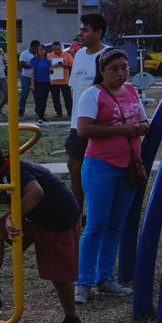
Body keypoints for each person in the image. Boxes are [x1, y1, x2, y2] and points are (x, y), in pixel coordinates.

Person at [0, 138, 85, 323]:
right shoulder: (1, 173)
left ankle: (71, 319)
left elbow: (36, 192)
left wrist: (12, 217)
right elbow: (6, 197)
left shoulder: (15, 170)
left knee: (60, 279)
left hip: (59, 221)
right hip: (33, 217)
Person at [72, 48, 148, 304]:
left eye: (124, 67)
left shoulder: (132, 92)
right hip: (101, 166)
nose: (120, 73)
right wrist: (126, 129)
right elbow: (84, 129)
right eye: (114, 68)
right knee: (96, 224)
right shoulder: (92, 94)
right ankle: (83, 282)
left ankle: (105, 278)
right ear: (102, 71)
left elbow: (144, 120)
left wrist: (143, 126)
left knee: (116, 223)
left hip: (129, 167)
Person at [64, 13, 108, 211]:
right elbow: (76, 87)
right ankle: (78, 210)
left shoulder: (108, 56)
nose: (80, 33)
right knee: (74, 166)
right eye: (80, 29)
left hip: (100, 123)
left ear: (98, 33)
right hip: (77, 123)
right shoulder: (80, 55)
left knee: (99, 170)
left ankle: (97, 208)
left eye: (85, 30)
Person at [28, 41, 53, 120]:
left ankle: (42, 116)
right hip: (38, 82)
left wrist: (52, 70)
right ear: (37, 51)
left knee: (44, 100)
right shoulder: (34, 60)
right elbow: (32, 72)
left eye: (42, 49)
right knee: (39, 99)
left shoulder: (48, 61)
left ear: (45, 50)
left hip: (46, 82)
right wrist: (32, 84)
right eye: (39, 49)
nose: (41, 51)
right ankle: (39, 116)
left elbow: (50, 72)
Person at [47, 42, 71, 118]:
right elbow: (46, 68)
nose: (57, 51)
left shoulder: (67, 55)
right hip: (54, 81)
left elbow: (73, 66)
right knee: (55, 98)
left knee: (68, 98)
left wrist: (64, 65)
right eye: (55, 49)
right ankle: (59, 113)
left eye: (58, 49)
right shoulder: (49, 56)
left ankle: (70, 113)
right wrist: (51, 67)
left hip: (65, 81)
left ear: (61, 48)